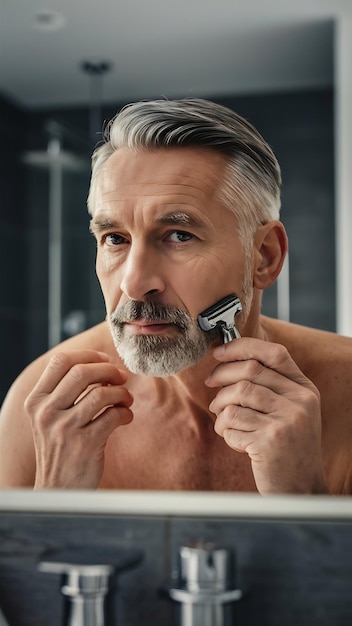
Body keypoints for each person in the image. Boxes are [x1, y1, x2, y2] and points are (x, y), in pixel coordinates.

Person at [0, 98, 351, 494]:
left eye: (179, 235)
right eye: (115, 238)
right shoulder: (43, 410)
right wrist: (53, 499)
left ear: (265, 257)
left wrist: (304, 497)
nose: (134, 284)